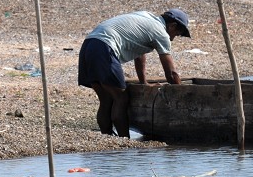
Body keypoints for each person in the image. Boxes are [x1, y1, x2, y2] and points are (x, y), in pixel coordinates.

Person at [78, 8, 191, 138]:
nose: (172, 39)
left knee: (106, 99)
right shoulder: (161, 33)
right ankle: (124, 140)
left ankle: (107, 138)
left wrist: (144, 82)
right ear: (172, 25)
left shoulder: (146, 17)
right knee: (121, 97)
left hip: (88, 45)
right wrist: (182, 93)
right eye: (176, 34)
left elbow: (139, 54)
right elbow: (171, 73)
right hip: (104, 47)